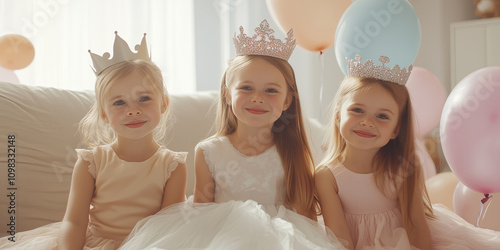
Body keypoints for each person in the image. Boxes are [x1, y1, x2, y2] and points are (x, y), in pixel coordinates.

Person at [120, 19, 346, 250]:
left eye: (271, 91)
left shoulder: (290, 150)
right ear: (227, 96)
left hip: (279, 235)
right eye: (246, 88)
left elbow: (303, 213)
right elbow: (202, 208)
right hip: (221, 235)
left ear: (287, 100)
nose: (258, 98)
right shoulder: (209, 151)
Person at [0, 32, 187, 250]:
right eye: (119, 102)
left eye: (144, 98)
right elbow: (74, 221)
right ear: (104, 114)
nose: (133, 110)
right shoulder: (91, 162)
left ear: (163, 104)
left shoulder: (173, 166)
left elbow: (168, 229)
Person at [316, 54, 500, 250]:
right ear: (337, 116)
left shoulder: (402, 169)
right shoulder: (326, 176)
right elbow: (339, 235)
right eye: (357, 110)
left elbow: (416, 225)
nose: (367, 122)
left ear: (396, 129)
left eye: (382, 116)